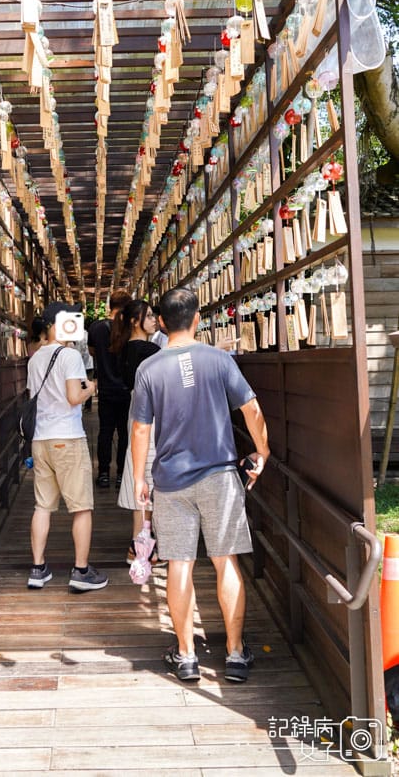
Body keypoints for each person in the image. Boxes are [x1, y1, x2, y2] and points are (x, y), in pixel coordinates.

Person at [131, 287, 269, 684]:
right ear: (197, 318)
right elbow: (251, 408)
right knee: (226, 561)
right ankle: (236, 653)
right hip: (220, 477)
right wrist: (263, 450)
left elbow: (141, 428)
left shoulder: (149, 369)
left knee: (180, 565)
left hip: (172, 481)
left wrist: (141, 477)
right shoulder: (218, 359)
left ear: (160, 321)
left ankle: (187, 656)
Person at [27, 302, 108, 593]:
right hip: (67, 437)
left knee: (42, 506)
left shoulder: (35, 358)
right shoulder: (70, 355)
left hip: (41, 439)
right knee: (81, 507)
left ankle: (38, 569)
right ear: (58, 324)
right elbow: (74, 397)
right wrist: (92, 388)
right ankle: (81, 570)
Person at [111, 300, 160, 562]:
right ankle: (140, 549)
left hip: (136, 413)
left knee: (140, 478)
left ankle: (142, 547)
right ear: (134, 321)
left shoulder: (125, 349)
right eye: (149, 316)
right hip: (150, 418)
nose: (154, 320)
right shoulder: (150, 349)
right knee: (147, 483)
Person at [87, 289, 132, 489]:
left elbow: (92, 352)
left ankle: (103, 473)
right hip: (126, 389)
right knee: (124, 433)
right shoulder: (130, 327)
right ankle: (122, 473)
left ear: (110, 306)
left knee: (105, 432)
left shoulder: (96, 327)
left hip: (105, 387)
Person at [74, 331, 94, 411]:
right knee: (87, 384)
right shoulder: (88, 333)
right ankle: (87, 406)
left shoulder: (79, 335)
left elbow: (79, 351)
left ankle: (84, 405)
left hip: (83, 364)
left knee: (81, 384)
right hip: (89, 364)